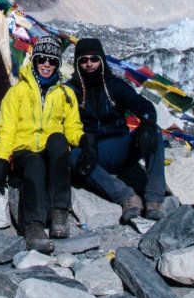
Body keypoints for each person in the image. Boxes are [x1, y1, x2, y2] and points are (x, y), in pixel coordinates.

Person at [0, 35, 84, 251]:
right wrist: (0, 161)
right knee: (35, 164)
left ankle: (58, 212)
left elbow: (72, 126)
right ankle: (34, 226)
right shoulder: (16, 92)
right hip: (24, 149)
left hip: (49, 149)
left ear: (57, 64)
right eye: (42, 59)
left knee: (58, 140)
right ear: (35, 60)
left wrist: (83, 140)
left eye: (52, 61)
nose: (47, 64)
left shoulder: (65, 94)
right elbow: (7, 129)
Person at [66, 37, 167, 223]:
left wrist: (148, 121)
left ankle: (154, 199)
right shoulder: (70, 90)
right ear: (77, 63)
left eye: (94, 59)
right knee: (72, 156)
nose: (89, 64)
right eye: (84, 60)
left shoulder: (115, 85)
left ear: (102, 60)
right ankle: (126, 197)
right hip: (92, 150)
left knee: (155, 132)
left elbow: (142, 105)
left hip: (121, 147)